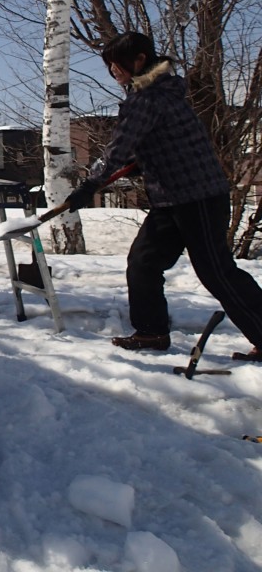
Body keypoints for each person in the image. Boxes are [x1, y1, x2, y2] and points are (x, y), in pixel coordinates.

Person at [67, 31, 262, 361]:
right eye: (110, 66)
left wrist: (90, 184)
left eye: (116, 65)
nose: (113, 72)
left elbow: (118, 148)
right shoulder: (159, 93)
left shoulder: (148, 98)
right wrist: (138, 165)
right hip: (170, 199)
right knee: (143, 262)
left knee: (217, 271)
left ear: (140, 60)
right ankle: (151, 332)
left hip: (197, 196)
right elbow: (165, 142)